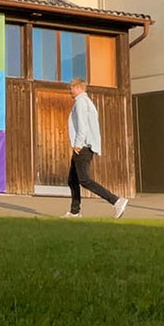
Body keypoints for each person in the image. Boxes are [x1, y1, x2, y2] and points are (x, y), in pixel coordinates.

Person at [62, 77, 128, 219]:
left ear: (78, 87)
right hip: (86, 145)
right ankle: (75, 211)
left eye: (71, 88)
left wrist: (78, 144)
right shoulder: (87, 102)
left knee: (84, 180)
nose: (70, 91)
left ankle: (116, 201)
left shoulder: (81, 102)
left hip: (83, 146)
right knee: (72, 180)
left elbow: (82, 124)